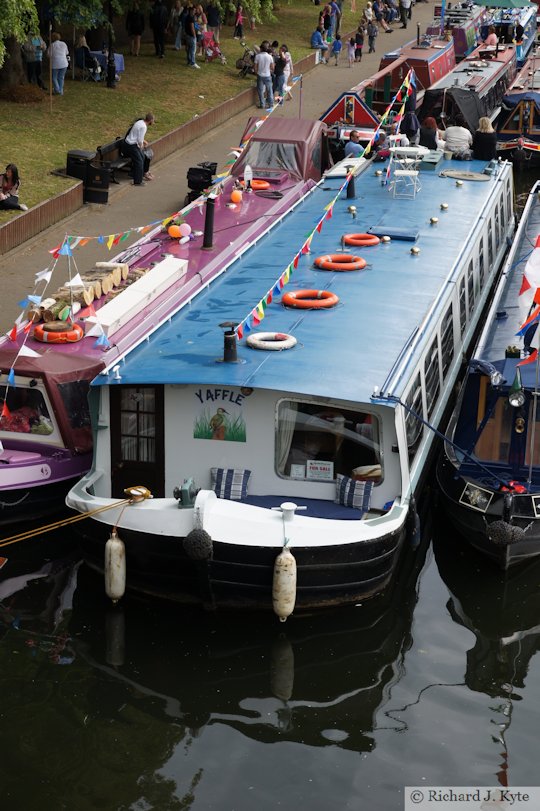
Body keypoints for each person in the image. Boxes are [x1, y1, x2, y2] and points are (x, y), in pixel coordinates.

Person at [122, 113, 155, 186]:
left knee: (142, 157)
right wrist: (141, 147)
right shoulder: (143, 127)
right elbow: (140, 139)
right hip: (132, 145)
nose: (153, 122)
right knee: (139, 162)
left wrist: (143, 142)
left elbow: (137, 135)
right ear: (151, 120)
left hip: (129, 143)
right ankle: (137, 181)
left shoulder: (140, 122)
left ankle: (134, 174)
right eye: (153, 120)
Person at [254, 40, 274, 109]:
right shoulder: (270, 57)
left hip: (260, 75)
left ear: (261, 49)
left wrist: (257, 72)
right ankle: (271, 104)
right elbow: (272, 67)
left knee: (260, 90)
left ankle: (262, 104)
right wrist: (269, 71)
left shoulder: (257, 56)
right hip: (268, 75)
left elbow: (255, 66)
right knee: (269, 90)